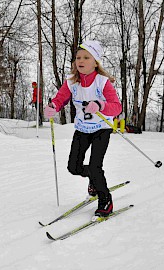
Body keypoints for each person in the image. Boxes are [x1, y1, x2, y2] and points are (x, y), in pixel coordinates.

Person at [44, 40, 122, 217]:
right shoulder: (72, 82)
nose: (81, 60)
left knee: (95, 166)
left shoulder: (102, 82)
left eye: (86, 57)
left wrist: (101, 105)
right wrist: (52, 107)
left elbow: (117, 107)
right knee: (73, 167)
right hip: (82, 129)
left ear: (95, 62)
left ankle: (105, 200)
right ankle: (93, 180)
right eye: (78, 57)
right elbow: (60, 99)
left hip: (102, 129)